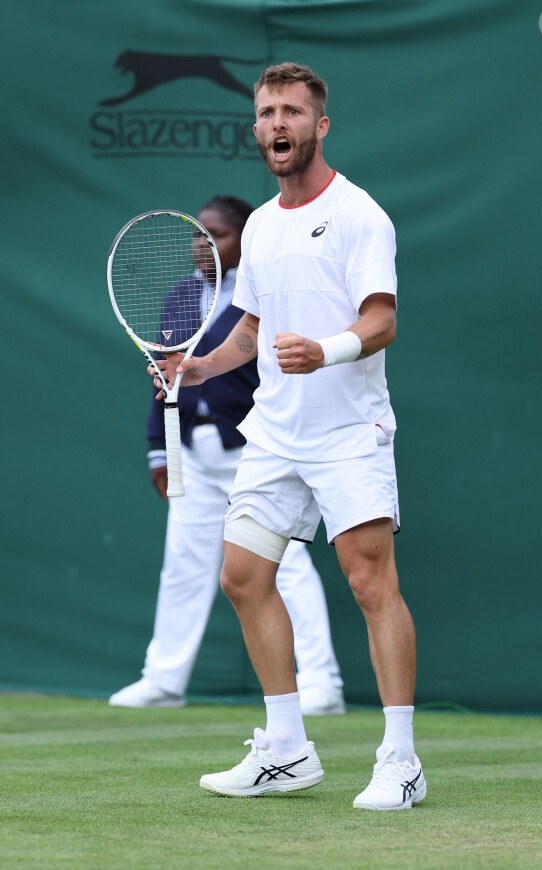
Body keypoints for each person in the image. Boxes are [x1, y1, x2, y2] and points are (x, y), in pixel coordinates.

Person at [152, 63, 426, 811]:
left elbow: (381, 320)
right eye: (267, 112)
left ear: (320, 125)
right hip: (274, 433)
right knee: (242, 576)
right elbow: (250, 327)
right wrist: (200, 366)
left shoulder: (361, 214)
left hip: (348, 429)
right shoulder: (263, 227)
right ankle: (285, 749)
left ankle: (400, 760)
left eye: (293, 113)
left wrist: (327, 350)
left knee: (372, 585)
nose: (278, 124)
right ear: (256, 128)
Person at [110, 194, 345, 717]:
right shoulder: (177, 299)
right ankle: (164, 678)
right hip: (191, 452)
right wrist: (158, 449)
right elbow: (162, 376)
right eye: (199, 234)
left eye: (218, 235)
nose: (204, 245)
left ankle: (322, 683)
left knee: (284, 564)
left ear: (245, 239)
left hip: (252, 451)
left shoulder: (261, 301)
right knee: (184, 566)